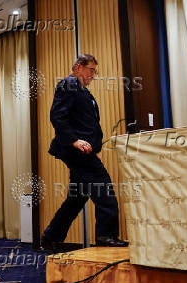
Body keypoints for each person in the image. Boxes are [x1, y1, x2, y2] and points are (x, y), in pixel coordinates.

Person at [41, 54, 128, 252]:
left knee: (77, 197)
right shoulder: (68, 84)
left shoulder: (82, 91)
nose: (93, 75)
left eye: (95, 72)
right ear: (79, 67)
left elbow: (85, 123)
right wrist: (74, 141)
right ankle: (106, 235)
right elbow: (57, 116)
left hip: (84, 152)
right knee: (104, 188)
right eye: (91, 70)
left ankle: (50, 237)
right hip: (76, 151)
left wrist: (94, 149)